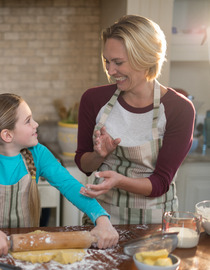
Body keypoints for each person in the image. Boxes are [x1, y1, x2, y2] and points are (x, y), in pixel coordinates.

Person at [0, 93, 119, 257]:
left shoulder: (38, 153)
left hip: (28, 246)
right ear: (7, 135)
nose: (36, 124)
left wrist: (101, 218)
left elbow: (70, 186)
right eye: (28, 121)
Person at [76, 15, 195, 225]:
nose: (111, 71)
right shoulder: (93, 99)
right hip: (101, 221)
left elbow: (160, 183)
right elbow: (84, 165)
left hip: (154, 225)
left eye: (118, 62)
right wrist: (98, 155)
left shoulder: (180, 109)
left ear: (146, 58)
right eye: (107, 61)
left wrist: (119, 181)